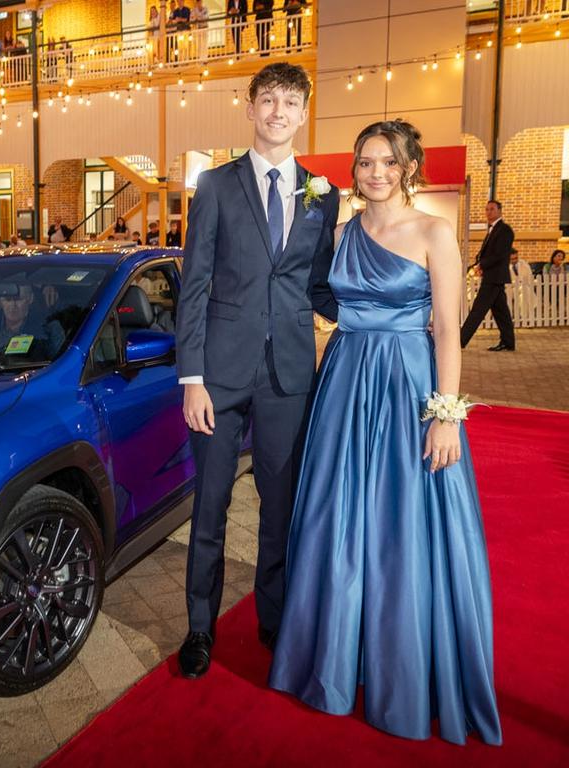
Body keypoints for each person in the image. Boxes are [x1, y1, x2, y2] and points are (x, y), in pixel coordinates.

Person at [269, 119, 502, 746]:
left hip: (406, 384)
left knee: (402, 521)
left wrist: (446, 414)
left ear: (409, 167)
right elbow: (322, 299)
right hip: (344, 380)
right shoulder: (342, 231)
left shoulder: (435, 230)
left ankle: (402, 665)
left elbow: (447, 329)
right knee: (336, 514)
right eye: (365, 162)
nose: (375, 173)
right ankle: (335, 656)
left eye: (388, 163)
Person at [175, 63, 339, 677]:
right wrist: (191, 377)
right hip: (217, 377)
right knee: (211, 506)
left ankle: (274, 621)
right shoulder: (215, 185)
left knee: (281, 507)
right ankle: (198, 629)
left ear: (303, 112)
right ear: (250, 108)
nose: (277, 111)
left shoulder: (325, 191)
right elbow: (193, 287)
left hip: (289, 375)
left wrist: (385, 309)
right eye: (267, 99)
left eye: (289, 101)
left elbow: (319, 286)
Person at [460, 200, 515, 351]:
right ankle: (508, 342)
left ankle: (460, 341)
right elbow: (485, 252)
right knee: (501, 312)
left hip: (494, 277)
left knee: (477, 311)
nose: (488, 212)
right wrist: (478, 263)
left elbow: (500, 254)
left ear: (499, 211)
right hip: (492, 276)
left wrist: (481, 265)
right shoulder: (492, 230)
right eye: (486, 209)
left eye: (491, 209)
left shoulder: (505, 230)